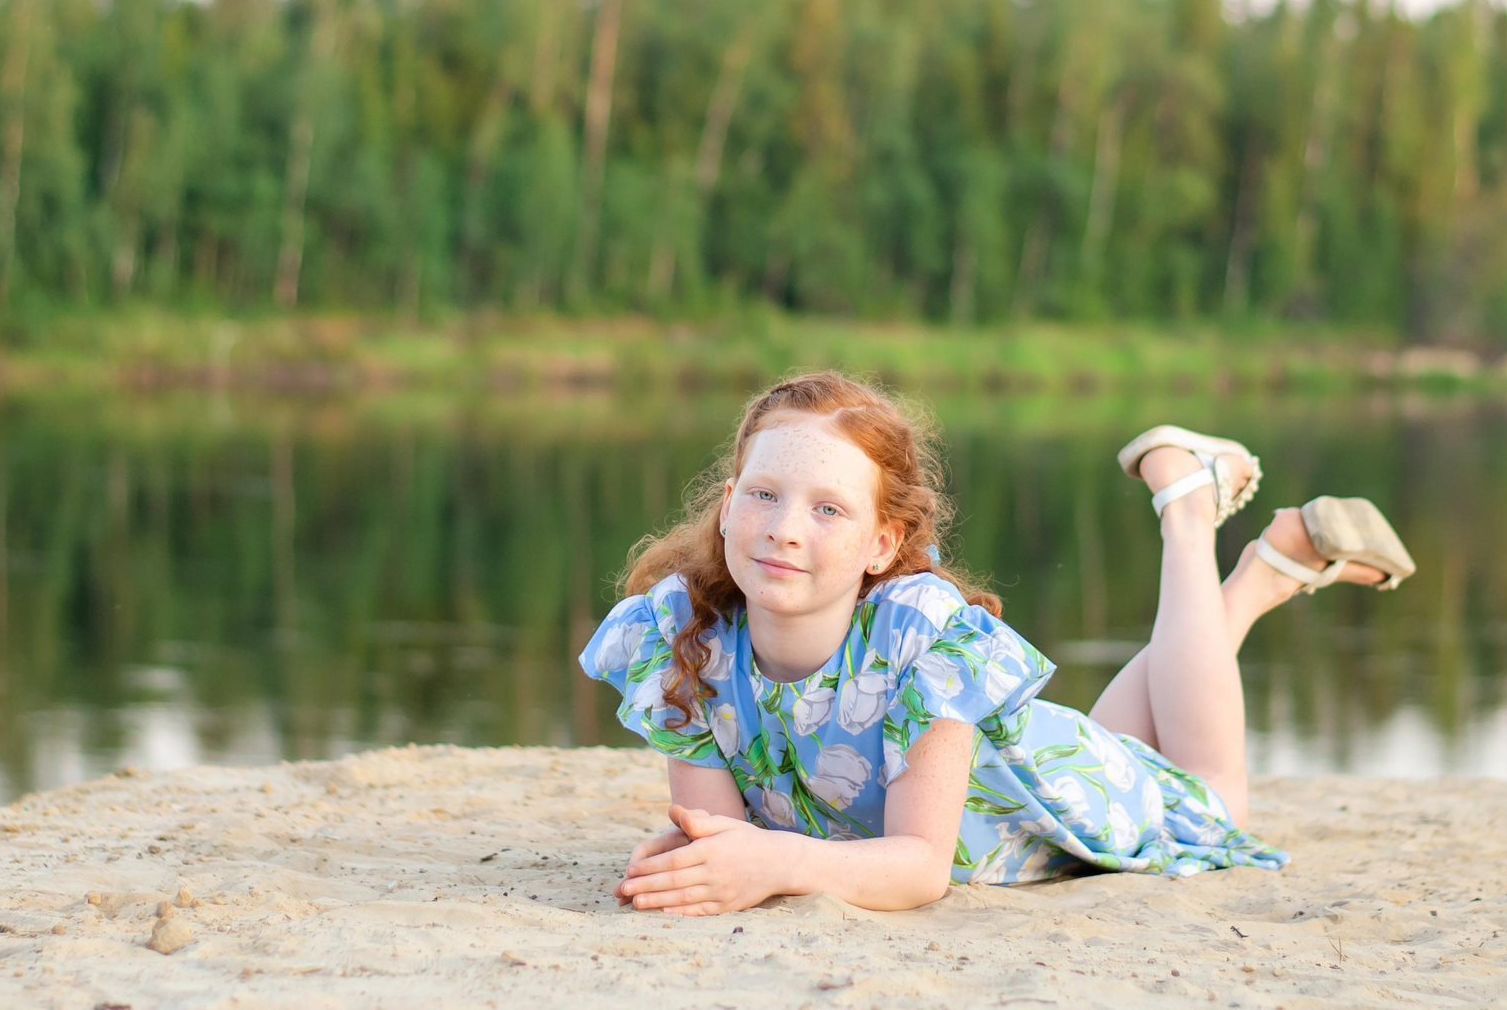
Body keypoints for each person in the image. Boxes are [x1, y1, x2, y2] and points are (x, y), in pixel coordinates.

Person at [581, 370, 1416, 915]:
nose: (784, 531)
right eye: (763, 495)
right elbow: (729, 837)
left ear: (882, 544)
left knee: (1214, 797)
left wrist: (768, 863)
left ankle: (1188, 509)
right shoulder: (678, 640)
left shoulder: (918, 635)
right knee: (1115, 740)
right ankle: (1273, 568)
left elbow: (917, 868)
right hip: (1044, 765)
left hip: (1061, 796)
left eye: (828, 508)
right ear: (727, 506)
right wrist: (708, 856)